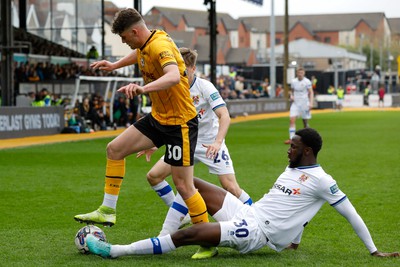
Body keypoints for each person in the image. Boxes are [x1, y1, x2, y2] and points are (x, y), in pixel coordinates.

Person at [86, 128, 399, 259]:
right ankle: (166, 235)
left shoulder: (323, 181)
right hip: (248, 212)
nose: (287, 148)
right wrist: (294, 240)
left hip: (254, 231)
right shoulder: (293, 169)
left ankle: (115, 251)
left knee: (189, 235)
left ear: (307, 150)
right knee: (188, 184)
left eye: (292, 145)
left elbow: (351, 214)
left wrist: (374, 251)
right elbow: (299, 211)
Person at [74, 8, 210, 241]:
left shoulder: (160, 46)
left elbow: (174, 76)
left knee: (184, 186)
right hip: (159, 118)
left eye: (124, 37)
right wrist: (114, 65)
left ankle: (207, 239)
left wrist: (142, 88)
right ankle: (108, 210)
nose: (123, 41)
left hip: (180, 123)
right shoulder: (147, 42)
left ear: (135, 31)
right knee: (114, 149)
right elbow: (140, 55)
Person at [137, 47, 252, 259]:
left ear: (192, 68)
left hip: (210, 144)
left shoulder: (205, 87)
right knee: (153, 176)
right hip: (184, 141)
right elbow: (167, 121)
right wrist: (155, 142)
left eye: (184, 70)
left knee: (230, 187)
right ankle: (180, 213)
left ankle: (259, 217)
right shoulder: (174, 88)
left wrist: (218, 142)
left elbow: (224, 116)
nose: (180, 73)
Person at [285, 67, 314, 144]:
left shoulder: (307, 81)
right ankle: (292, 139)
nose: (300, 74)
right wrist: (291, 95)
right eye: (299, 73)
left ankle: (308, 138)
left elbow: (311, 92)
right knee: (292, 120)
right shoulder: (293, 81)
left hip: (304, 103)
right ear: (296, 73)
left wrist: (311, 103)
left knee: (305, 122)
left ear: (304, 73)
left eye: (301, 73)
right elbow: (292, 91)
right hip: (295, 103)